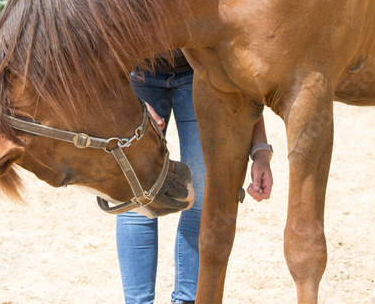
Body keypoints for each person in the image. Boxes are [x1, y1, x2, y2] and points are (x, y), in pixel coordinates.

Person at [116, 49, 273, 304]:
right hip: (138, 73)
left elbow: (238, 59)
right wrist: (125, 95)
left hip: (198, 71)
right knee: (136, 202)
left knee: (199, 197)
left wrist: (260, 148)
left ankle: (188, 300)